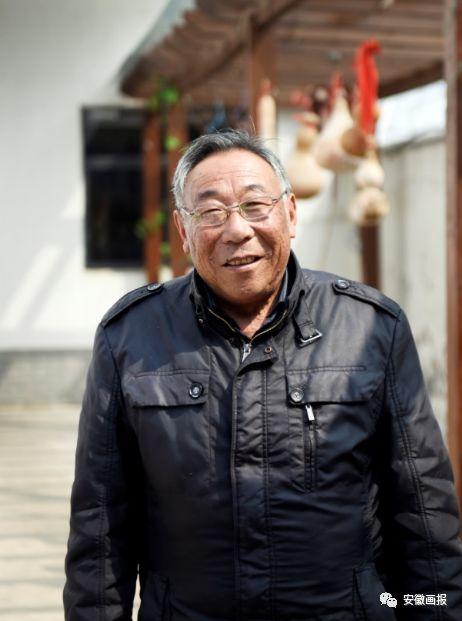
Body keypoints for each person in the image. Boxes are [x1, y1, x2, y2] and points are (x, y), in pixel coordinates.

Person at [64, 130, 462, 621]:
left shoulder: (370, 327)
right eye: (211, 212)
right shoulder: (131, 336)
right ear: (183, 230)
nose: (237, 230)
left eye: (255, 205)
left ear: (290, 214)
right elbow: (100, 525)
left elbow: (423, 509)